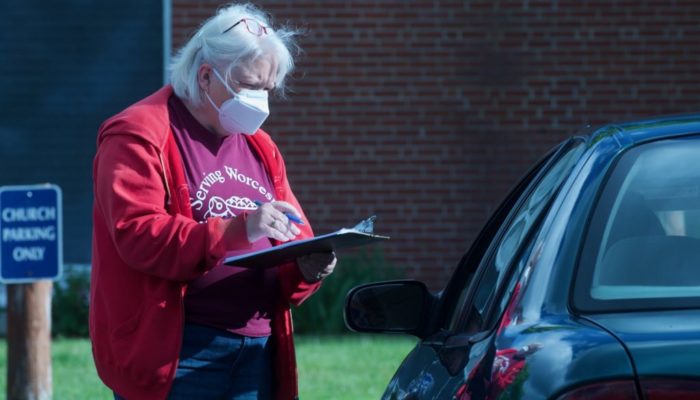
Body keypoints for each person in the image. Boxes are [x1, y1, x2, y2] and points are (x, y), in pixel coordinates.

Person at [89, 3, 336, 399]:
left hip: (258, 350)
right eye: (249, 86)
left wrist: (306, 268)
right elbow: (137, 234)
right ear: (206, 76)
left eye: (267, 89)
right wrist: (239, 230)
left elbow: (292, 233)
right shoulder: (138, 133)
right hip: (180, 354)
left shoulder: (260, 146)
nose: (260, 101)